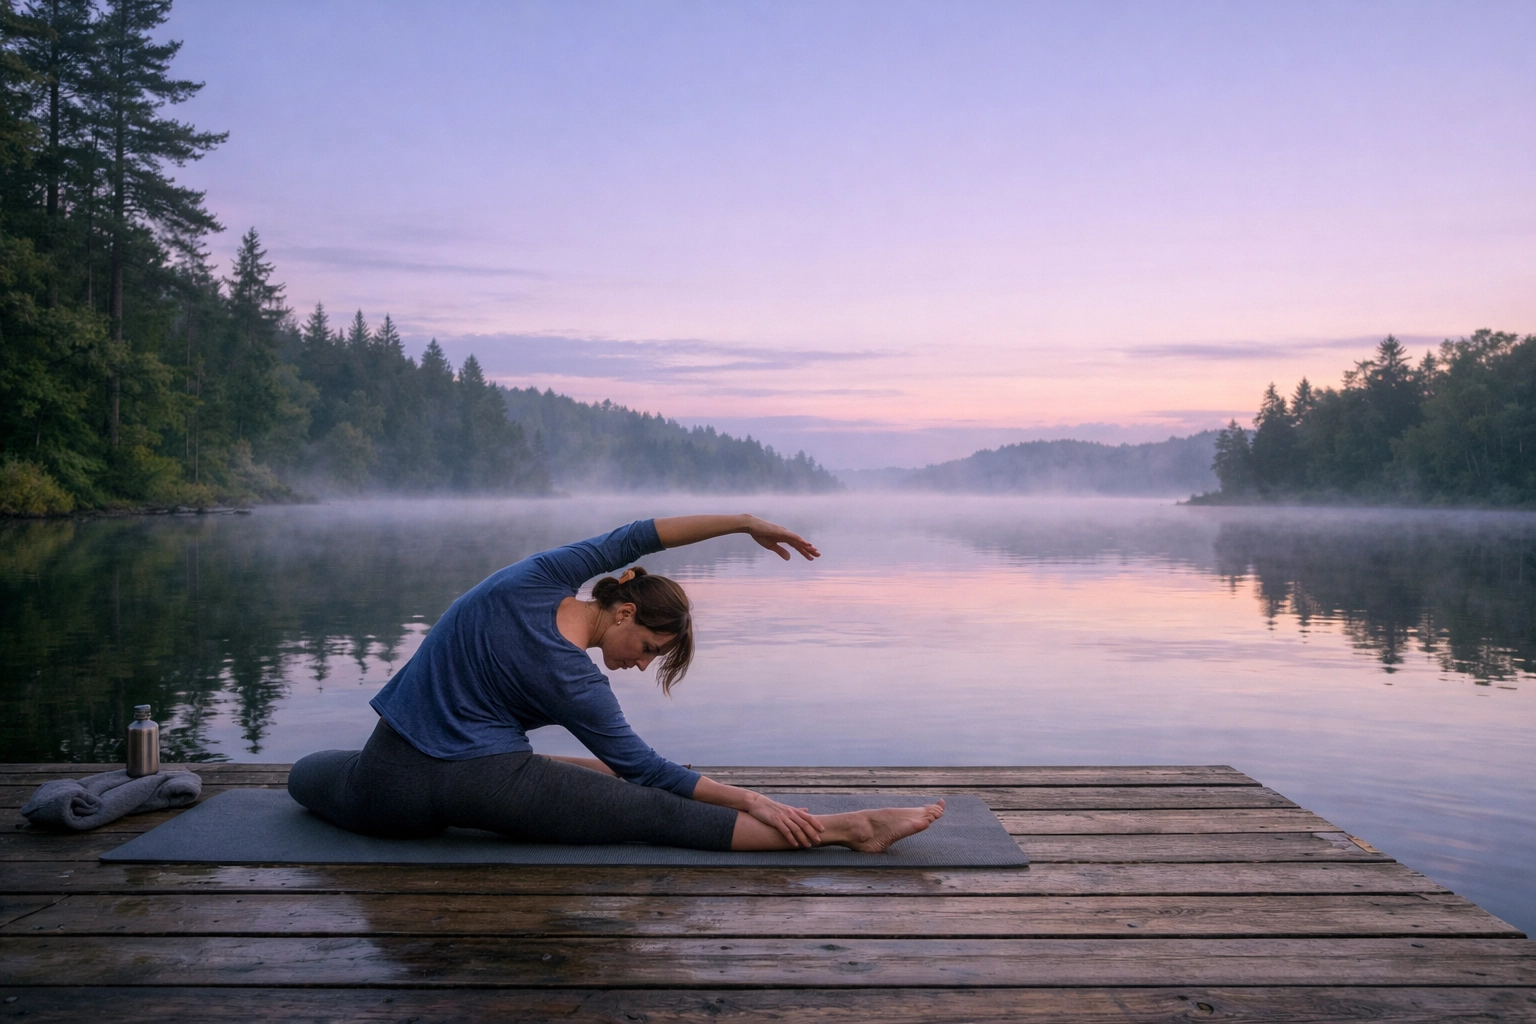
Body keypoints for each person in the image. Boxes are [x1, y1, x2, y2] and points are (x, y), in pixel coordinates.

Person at [288, 514, 944, 852]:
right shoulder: (578, 683)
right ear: (623, 611)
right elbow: (649, 774)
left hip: (388, 789)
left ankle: (845, 828)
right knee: (652, 813)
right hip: (487, 786)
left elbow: (639, 535)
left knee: (305, 774)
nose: (639, 664)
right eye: (649, 649)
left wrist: (744, 521)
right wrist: (750, 798)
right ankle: (844, 830)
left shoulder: (532, 577)